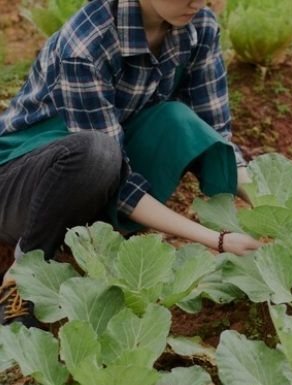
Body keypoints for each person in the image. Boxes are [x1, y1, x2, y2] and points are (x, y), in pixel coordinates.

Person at [0, 0, 262, 327]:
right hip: (18, 185)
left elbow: (216, 132)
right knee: (97, 154)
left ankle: (89, 241)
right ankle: (25, 273)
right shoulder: (86, 43)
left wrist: (271, 207)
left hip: (97, 175)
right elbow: (117, 179)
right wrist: (217, 240)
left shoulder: (199, 24)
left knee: (176, 120)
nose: (200, 2)